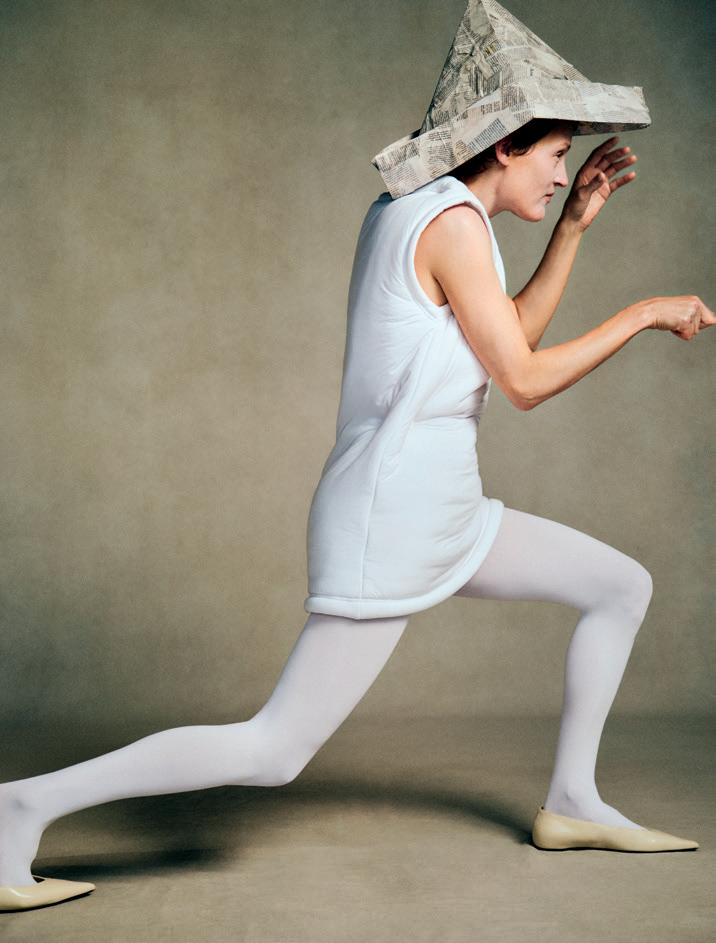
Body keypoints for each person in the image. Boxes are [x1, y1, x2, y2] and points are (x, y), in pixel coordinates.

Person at [1, 0, 712, 915]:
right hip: (394, 519)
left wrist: (572, 227)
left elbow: (508, 343)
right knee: (273, 749)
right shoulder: (451, 223)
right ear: (505, 145)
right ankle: (20, 808)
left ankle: (572, 800)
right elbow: (526, 382)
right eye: (555, 154)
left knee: (619, 586)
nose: (561, 171)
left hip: (445, 510)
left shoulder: (436, 211)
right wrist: (645, 312)